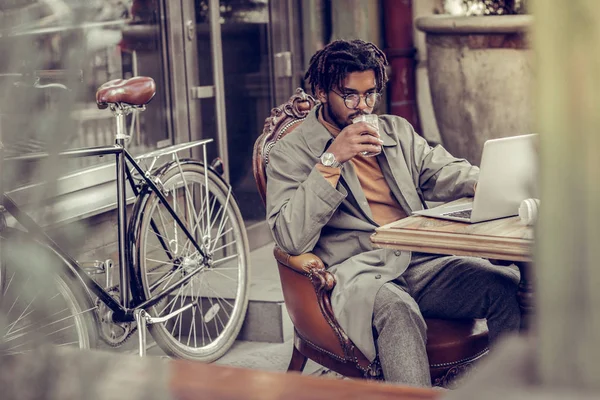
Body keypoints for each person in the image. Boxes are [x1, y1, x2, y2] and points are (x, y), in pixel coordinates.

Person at [265, 39, 520, 387]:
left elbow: (443, 170)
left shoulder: (395, 131)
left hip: (418, 261)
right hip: (358, 271)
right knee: (398, 311)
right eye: (350, 95)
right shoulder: (290, 153)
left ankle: (512, 391)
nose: (362, 106)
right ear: (323, 92)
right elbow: (289, 237)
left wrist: (493, 183)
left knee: (506, 286)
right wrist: (331, 160)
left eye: (371, 93)